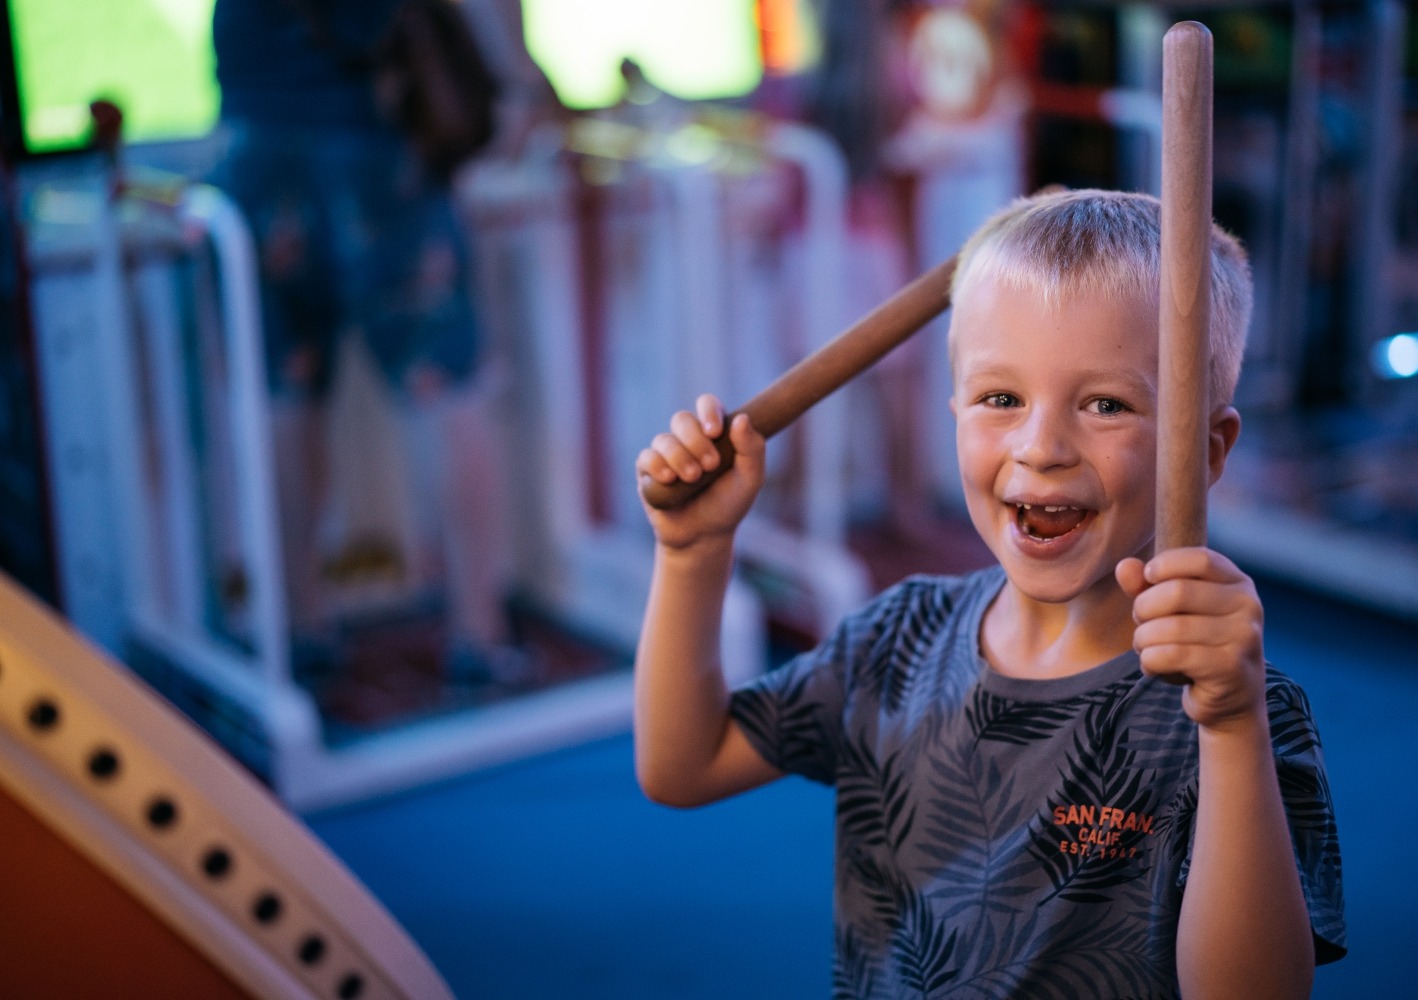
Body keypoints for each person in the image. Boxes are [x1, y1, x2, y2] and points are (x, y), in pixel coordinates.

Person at [633, 188, 1345, 996]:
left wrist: (1229, 726)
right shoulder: (898, 638)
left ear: (1208, 449)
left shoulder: (1234, 706)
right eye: (1000, 399)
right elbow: (681, 766)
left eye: (1106, 404)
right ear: (954, 412)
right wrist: (692, 554)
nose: (1040, 447)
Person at [210, 0, 539, 690]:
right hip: (376, 144)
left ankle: (301, 630)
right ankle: (478, 634)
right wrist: (515, 86)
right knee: (447, 388)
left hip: (254, 144)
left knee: (285, 394)